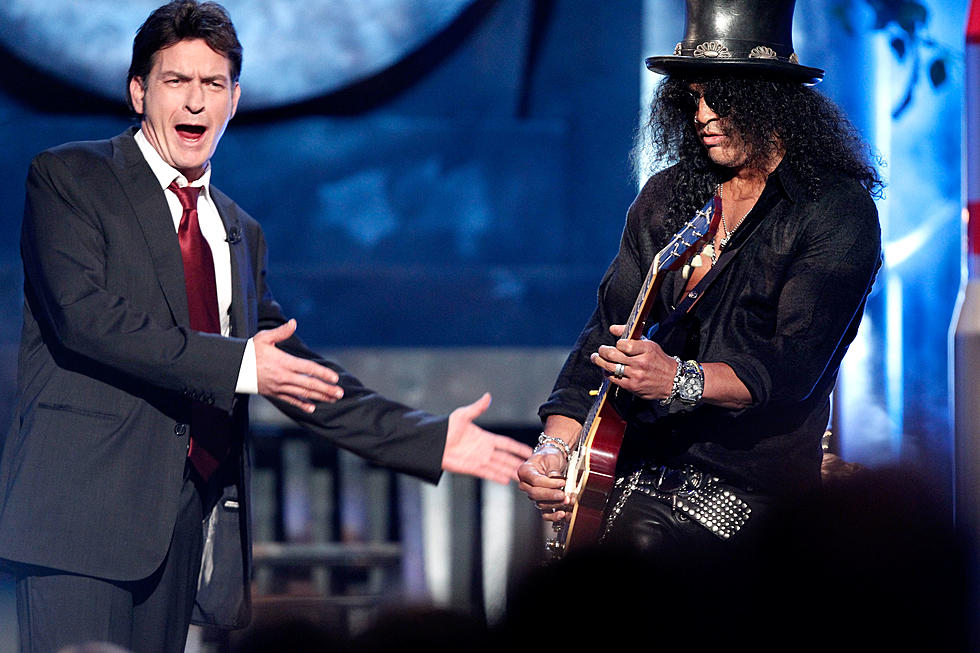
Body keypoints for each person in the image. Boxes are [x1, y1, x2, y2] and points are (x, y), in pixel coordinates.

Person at [0, 2, 532, 652]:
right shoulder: (73, 176)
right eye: (176, 81)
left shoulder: (237, 229)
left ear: (234, 99)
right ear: (139, 90)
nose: (195, 101)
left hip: (177, 528)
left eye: (213, 84)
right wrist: (240, 365)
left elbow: (292, 369)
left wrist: (423, 439)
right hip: (79, 521)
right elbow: (86, 319)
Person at [518, 0, 883, 558]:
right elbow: (604, 336)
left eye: (724, 98)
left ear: (773, 100)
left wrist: (678, 380)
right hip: (632, 479)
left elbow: (790, 369)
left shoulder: (833, 210)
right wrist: (555, 448)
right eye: (693, 98)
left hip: (754, 498)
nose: (705, 116)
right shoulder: (666, 198)